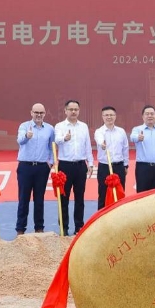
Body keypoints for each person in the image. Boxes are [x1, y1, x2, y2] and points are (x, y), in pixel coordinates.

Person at [54, 100, 94, 235]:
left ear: (79, 111)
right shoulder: (60, 126)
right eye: (70, 109)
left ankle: (79, 227)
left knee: (79, 198)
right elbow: (56, 140)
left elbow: (87, 146)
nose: (73, 112)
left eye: (76, 109)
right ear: (65, 111)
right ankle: (64, 228)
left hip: (80, 165)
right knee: (63, 198)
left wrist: (91, 163)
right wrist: (65, 138)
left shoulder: (83, 126)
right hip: (64, 166)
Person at [15, 103, 54, 236]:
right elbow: (19, 141)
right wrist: (27, 136)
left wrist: (51, 162)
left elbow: (52, 147)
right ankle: (20, 229)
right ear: (31, 113)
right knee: (23, 198)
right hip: (25, 167)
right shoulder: (24, 126)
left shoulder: (49, 129)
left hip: (42, 168)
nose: (38, 115)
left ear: (44, 114)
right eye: (36, 112)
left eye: (41, 113)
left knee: (39, 199)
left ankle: (39, 228)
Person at [94, 106, 129, 210]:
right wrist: (102, 144)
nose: (109, 117)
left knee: (120, 193)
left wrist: (126, 165)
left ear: (115, 116)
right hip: (105, 167)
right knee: (103, 193)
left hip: (119, 166)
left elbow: (125, 148)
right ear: (102, 117)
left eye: (111, 115)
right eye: (106, 115)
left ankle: (119, 217)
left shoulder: (121, 131)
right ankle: (101, 219)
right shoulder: (99, 131)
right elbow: (99, 139)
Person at [130, 105, 155, 192]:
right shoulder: (137, 129)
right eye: (147, 114)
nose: (150, 116)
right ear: (143, 116)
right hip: (143, 167)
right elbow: (132, 137)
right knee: (142, 194)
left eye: (152, 114)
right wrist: (138, 137)